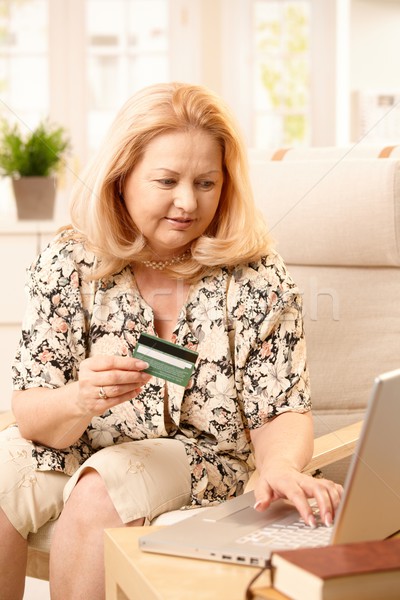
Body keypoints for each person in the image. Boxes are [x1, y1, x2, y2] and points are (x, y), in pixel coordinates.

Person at [0, 82, 342, 600]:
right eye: (167, 180)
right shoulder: (68, 261)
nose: (188, 202)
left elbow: (282, 410)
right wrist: (79, 398)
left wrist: (279, 466)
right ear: (121, 179)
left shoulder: (256, 277)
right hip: (78, 439)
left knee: (100, 489)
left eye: (206, 182)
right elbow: (30, 414)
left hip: (200, 457)